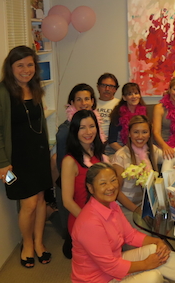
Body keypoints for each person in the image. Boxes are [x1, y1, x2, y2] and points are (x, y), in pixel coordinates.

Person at [71, 162, 175, 283]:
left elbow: (131, 235)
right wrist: (146, 264)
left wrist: (157, 241)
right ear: (90, 188)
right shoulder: (89, 222)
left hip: (113, 266)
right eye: (103, 183)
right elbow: (111, 267)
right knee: (154, 276)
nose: (110, 187)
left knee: (156, 251)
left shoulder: (111, 205)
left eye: (113, 180)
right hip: (100, 279)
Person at [0, 45, 53, 268]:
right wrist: (2, 163)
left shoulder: (35, 89)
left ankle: (39, 242)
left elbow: (39, 123)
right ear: (10, 67)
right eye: (20, 65)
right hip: (14, 161)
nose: (26, 70)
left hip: (39, 155)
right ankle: (27, 244)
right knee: (29, 204)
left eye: (30, 64)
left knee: (41, 200)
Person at [54, 83, 103, 238]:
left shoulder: (94, 146)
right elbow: (67, 197)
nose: (83, 103)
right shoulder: (65, 133)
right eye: (79, 99)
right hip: (74, 190)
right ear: (72, 103)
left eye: (87, 99)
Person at [61, 110, 108, 258]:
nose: (88, 132)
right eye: (82, 128)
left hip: (100, 215)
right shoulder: (70, 161)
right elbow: (67, 202)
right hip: (82, 218)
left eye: (91, 126)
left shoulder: (98, 155)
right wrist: (92, 223)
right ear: (75, 131)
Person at [112, 115, 159, 226]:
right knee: (144, 232)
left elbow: (172, 156)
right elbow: (116, 192)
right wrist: (137, 210)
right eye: (136, 132)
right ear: (129, 133)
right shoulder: (121, 156)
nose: (140, 136)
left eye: (144, 132)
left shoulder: (152, 151)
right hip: (125, 206)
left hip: (146, 204)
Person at [152, 77, 175, 174]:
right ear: (169, 89)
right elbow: (156, 132)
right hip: (160, 147)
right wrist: (165, 147)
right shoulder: (159, 108)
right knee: (172, 154)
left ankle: (168, 187)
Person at [109, 83, 148, 153]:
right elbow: (112, 141)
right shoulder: (117, 114)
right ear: (124, 97)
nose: (134, 96)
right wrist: (128, 153)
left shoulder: (144, 113)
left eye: (136, 93)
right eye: (130, 94)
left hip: (139, 149)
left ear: (139, 95)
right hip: (119, 150)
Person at [95, 73, 120, 155]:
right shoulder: (90, 104)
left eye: (111, 86)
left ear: (115, 89)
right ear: (98, 87)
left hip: (113, 145)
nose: (107, 89)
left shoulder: (120, 105)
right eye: (103, 85)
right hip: (93, 144)